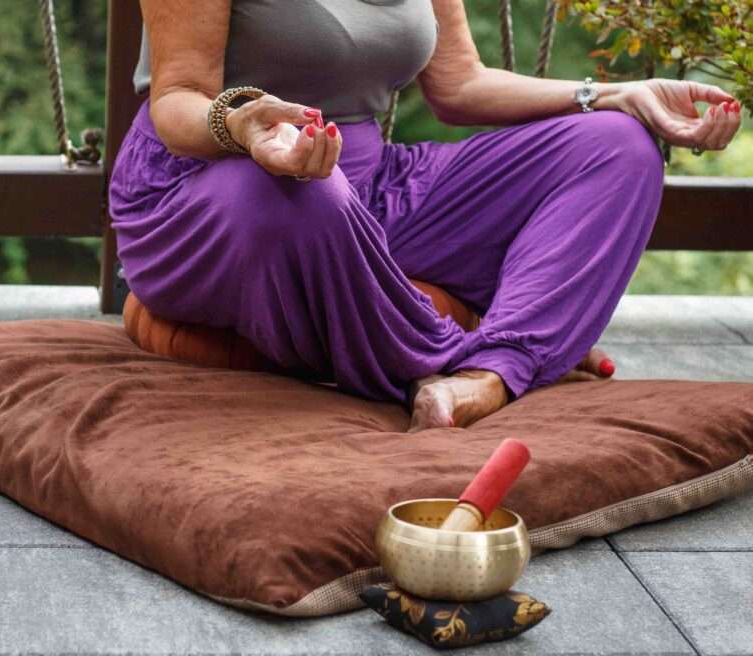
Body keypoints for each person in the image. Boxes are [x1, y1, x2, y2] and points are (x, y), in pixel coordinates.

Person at [108, 0, 743, 431]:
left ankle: (490, 373)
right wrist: (243, 126)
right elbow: (176, 100)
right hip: (210, 187)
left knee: (617, 145)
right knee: (303, 198)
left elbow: (459, 84)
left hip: (368, 185)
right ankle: (491, 351)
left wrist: (610, 95)